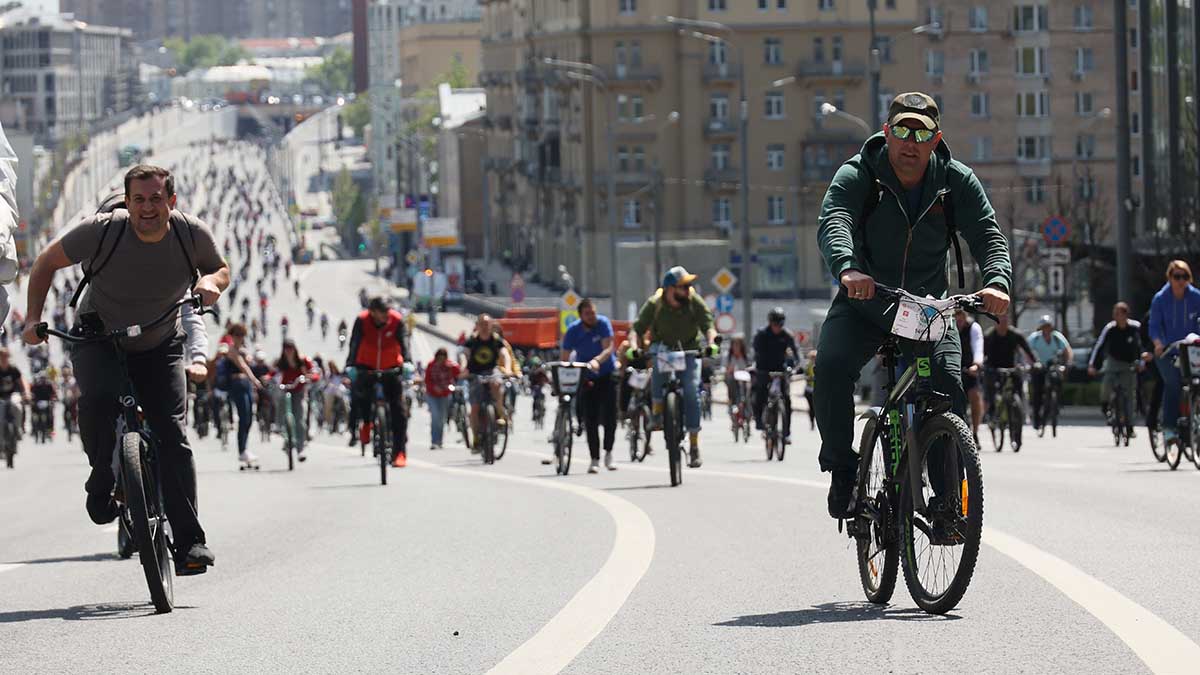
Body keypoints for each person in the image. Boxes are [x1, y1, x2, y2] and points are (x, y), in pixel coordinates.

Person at [21, 164, 230, 574]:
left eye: (156, 199)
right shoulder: (103, 230)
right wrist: (32, 319)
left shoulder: (191, 234)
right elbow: (45, 262)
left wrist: (212, 284)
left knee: (172, 435)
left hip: (160, 343)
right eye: (139, 199)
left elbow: (219, 268)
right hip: (100, 337)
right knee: (97, 402)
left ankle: (190, 543)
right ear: (127, 200)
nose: (147, 208)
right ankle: (101, 478)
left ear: (171, 201)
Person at [814, 93, 1011, 519]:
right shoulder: (859, 173)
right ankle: (843, 471)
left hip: (928, 310)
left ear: (935, 139)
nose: (910, 141)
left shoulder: (955, 181)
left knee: (948, 389)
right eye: (902, 130)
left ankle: (946, 501)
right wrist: (848, 269)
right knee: (830, 365)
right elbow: (835, 220)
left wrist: (997, 281)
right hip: (865, 301)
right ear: (886, 133)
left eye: (921, 133)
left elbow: (987, 235)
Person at [631, 266, 720, 468]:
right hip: (662, 349)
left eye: (689, 285)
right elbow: (636, 329)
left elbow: (709, 326)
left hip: (689, 350)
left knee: (690, 390)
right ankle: (657, 414)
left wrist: (712, 344)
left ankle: (694, 446)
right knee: (658, 377)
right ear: (670, 289)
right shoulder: (655, 303)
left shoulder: (694, 301)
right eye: (683, 286)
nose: (688, 289)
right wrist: (635, 348)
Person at [347, 296, 409, 467]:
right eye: (382, 312)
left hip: (391, 366)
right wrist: (350, 364)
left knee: (399, 410)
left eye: (387, 311)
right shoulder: (361, 321)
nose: (386, 315)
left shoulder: (396, 321)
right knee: (362, 396)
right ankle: (366, 423)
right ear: (372, 312)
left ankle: (400, 452)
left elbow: (404, 342)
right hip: (366, 365)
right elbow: (354, 343)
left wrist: (408, 361)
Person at [561, 298, 619, 473]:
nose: (592, 316)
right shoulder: (573, 331)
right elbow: (565, 356)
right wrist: (564, 372)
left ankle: (608, 452)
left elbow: (608, 349)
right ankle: (594, 458)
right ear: (580, 316)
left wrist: (596, 361)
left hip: (606, 372)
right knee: (590, 418)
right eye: (588, 314)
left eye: (593, 312)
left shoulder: (602, 324)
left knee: (610, 417)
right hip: (585, 375)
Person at [1149, 260, 1200, 442]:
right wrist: (1158, 343)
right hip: (1168, 351)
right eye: (1177, 277)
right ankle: (1169, 427)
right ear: (1169, 278)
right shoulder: (1160, 299)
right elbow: (1154, 326)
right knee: (1173, 383)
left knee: (1196, 384)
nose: (1181, 281)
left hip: (1192, 350)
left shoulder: (1196, 297)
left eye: (1185, 277)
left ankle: (1194, 418)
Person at [1089, 302, 1149, 438]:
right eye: (1114, 314)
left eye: (1119, 314)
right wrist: (1093, 365)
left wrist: (1142, 362)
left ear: (1126, 314)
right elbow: (1100, 346)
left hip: (1130, 365)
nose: (1116, 316)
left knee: (1130, 396)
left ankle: (1130, 426)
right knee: (1106, 386)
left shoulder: (1136, 328)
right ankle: (1106, 409)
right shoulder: (1110, 328)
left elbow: (1144, 346)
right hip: (1113, 362)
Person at [460, 313, 511, 450]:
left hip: (491, 371)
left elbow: (504, 354)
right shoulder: (472, 340)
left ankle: (500, 413)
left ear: (491, 325)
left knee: (497, 383)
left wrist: (507, 368)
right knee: (474, 408)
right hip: (474, 374)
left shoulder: (495, 340)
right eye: (482, 324)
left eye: (487, 324)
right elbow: (464, 354)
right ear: (477, 325)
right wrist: (464, 368)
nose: (484, 327)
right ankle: (476, 436)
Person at [752, 307, 799, 441]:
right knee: (760, 392)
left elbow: (796, 353)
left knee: (787, 399)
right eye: (775, 324)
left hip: (780, 369)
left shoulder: (787, 335)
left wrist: (795, 366)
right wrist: (760, 368)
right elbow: (756, 351)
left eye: (780, 324)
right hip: (764, 368)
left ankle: (786, 432)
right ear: (770, 322)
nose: (777, 327)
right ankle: (759, 421)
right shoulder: (761, 334)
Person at [271, 338, 319, 462]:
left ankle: (300, 449)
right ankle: (281, 428)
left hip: (298, 391)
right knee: (281, 407)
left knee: (299, 418)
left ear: (294, 348)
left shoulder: (303, 361)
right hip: (285, 390)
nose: (288, 351)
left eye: (290, 348)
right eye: (286, 348)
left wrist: (309, 377)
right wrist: (267, 378)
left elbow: (314, 373)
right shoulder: (281, 362)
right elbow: (272, 373)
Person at [982, 313, 1035, 419]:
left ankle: (1017, 410)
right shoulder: (989, 336)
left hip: (1011, 367)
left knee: (1018, 384)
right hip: (993, 368)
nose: (1003, 324)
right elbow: (981, 353)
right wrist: (980, 365)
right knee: (991, 389)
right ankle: (991, 413)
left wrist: (1035, 363)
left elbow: (1028, 350)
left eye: (1005, 321)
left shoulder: (1015, 335)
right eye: (1000, 321)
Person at [1027, 315, 1073, 432]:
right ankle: (1037, 419)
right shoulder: (1035, 338)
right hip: (1039, 367)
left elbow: (1067, 351)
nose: (1046, 329)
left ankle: (1056, 401)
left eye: (1048, 327)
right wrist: (1031, 364)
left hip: (1053, 366)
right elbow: (1026, 351)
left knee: (1057, 380)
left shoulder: (1057, 338)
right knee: (1038, 391)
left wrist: (1067, 364)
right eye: (1044, 327)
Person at [424, 347, 461, 449]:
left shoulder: (449, 365)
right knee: (435, 417)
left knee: (442, 419)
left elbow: (459, 372)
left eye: (443, 357)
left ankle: (439, 441)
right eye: (439, 357)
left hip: (445, 395)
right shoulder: (431, 365)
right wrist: (434, 387)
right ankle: (434, 441)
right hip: (432, 395)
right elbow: (427, 380)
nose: (441, 360)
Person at [0, 347, 28, 442]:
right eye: (2, 356)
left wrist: (26, 393)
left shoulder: (13, 369)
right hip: (0, 398)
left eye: (6, 356)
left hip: (13, 394)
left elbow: (22, 381)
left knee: (17, 406)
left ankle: (18, 427)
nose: (4, 358)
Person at [723, 335, 751, 410]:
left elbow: (749, 366)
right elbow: (724, 369)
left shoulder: (745, 357)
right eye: (734, 345)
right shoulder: (728, 356)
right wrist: (729, 370)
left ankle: (747, 406)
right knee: (731, 382)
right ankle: (732, 403)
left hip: (744, 378)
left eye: (738, 345)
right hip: (732, 378)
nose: (736, 347)